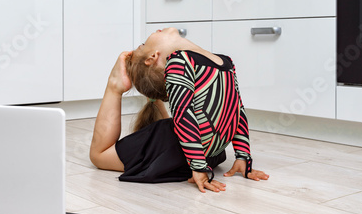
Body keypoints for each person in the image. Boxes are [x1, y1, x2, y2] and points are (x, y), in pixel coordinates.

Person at [90, 28, 269, 193]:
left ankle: (125, 92)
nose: (156, 30)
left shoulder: (224, 61)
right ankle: (115, 86)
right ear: (152, 56)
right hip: (198, 154)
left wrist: (242, 156)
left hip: (197, 152)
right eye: (143, 44)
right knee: (99, 156)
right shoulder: (178, 60)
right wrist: (199, 167)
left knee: (101, 154)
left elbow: (236, 110)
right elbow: (183, 115)